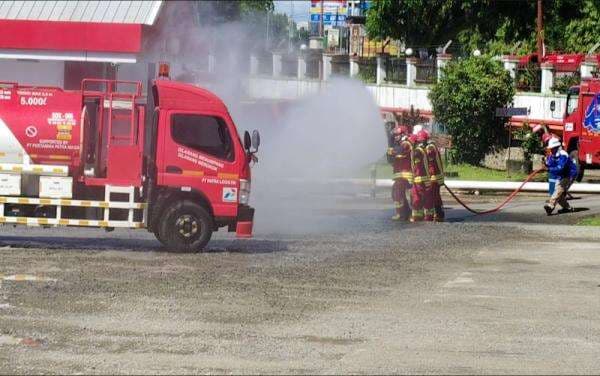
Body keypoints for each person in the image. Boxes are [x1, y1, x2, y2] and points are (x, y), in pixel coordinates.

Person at [544, 137, 577, 215]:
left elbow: (560, 168)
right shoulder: (552, 155)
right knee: (559, 193)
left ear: (556, 147)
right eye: (550, 148)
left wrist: (549, 169)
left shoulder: (563, 155)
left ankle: (550, 206)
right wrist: (546, 164)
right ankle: (567, 208)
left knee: (559, 189)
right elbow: (550, 163)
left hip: (569, 174)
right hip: (561, 175)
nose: (551, 150)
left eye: (552, 148)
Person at [387, 126, 413, 221]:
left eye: (397, 135)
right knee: (397, 194)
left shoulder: (406, 144)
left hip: (406, 175)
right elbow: (390, 159)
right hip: (400, 175)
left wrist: (390, 146)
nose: (395, 137)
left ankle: (402, 213)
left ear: (403, 135)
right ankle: (405, 212)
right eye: (394, 135)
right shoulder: (400, 144)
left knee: (397, 193)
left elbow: (398, 151)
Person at [423, 131, 445, 221]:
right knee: (434, 195)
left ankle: (438, 214)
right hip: (433, 176)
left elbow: (428, 157)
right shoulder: (429, 146)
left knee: (434, 196)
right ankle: (438, 213)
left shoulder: (430, 147)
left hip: (434, 176)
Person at [410, 130, 430, 222]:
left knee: (416, 197)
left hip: (419, 178)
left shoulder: (418, 151)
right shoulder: (423, 149)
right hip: (422, 178)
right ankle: (425, 215)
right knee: (423, 196)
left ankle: (417, 216)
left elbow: (414, 156)